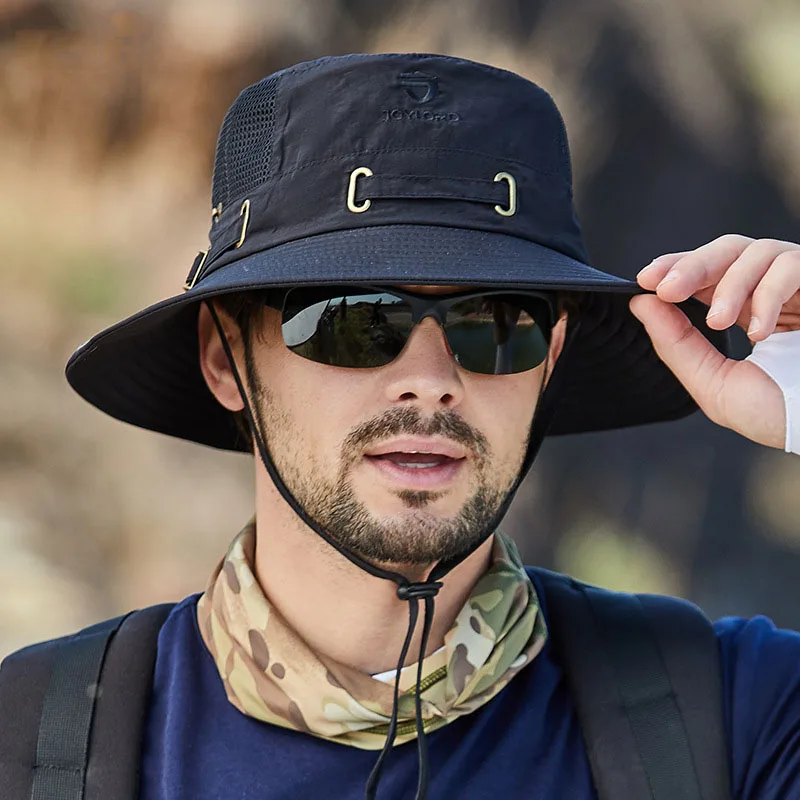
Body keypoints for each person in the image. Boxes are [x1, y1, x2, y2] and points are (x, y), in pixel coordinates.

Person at [4, 52, 800, 800]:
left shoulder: (740, 713)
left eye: (496, 322)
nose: (430, 381)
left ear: (551, 358)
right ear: (224, 357)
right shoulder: (32, 741)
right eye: (352, 321)